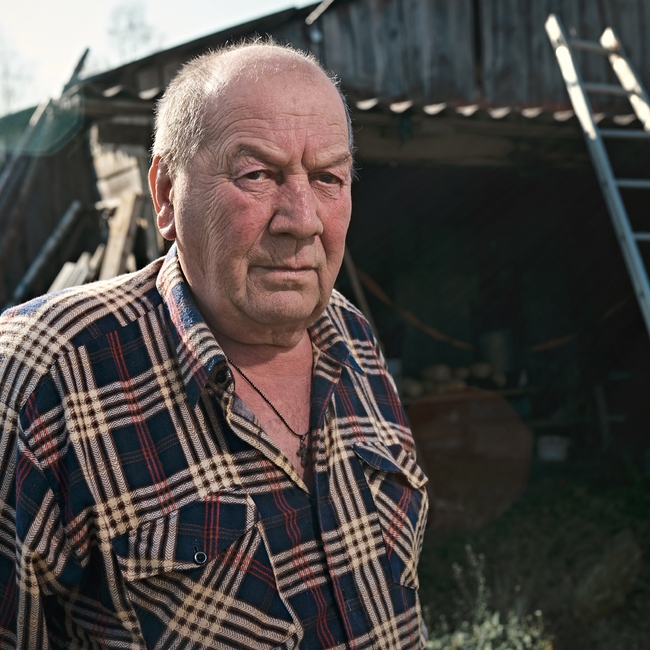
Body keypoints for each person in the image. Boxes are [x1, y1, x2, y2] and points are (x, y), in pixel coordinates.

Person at [0, 41, 428, 649]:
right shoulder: (43, 375)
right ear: (165, 193)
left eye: (328, 178)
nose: (302, 219)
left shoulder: (352, 335)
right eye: (257, 175)